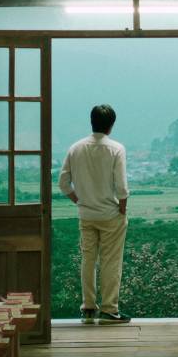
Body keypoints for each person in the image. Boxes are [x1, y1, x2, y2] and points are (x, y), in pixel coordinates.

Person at [58, 104, 131, 325]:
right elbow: (121, 187)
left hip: (86, 215)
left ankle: (88, 308)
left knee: (88, 260)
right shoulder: (116, 149)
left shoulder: (75, 148)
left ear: (92, 122)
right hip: (110, 215)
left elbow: (63, 183)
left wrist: (79, 201)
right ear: (111, 125)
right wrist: (122, 209)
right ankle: (109, 310)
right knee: (111, 261)